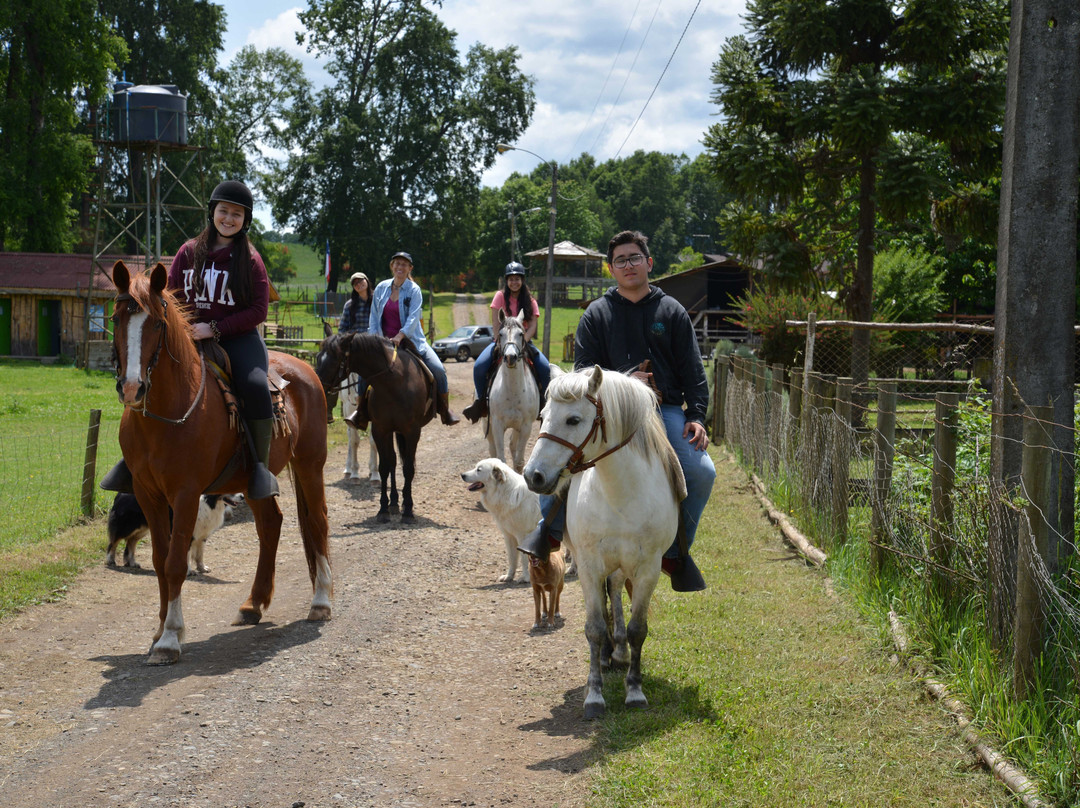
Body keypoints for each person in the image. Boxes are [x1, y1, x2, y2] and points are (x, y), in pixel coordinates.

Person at [518, 230, 715, 592]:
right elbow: (582, 373)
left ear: (649, 262)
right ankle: (546, 534)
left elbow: (694, 373)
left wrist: (697, 416)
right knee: (568, 459)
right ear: (611, 269)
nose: (629, 265)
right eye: (620, 260)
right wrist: (626, 380)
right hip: (606, 415)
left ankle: (675, 551)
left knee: (703, 471)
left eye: (635, 257)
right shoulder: (597, 313)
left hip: (663, 411)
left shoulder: (671, 312)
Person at [101, 180, 279, 500]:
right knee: (149, 377)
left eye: (236, 214)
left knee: (254, 385)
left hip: (237, 339)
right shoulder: (188, 251)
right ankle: (133, 461)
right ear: (212, 213)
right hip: (187, 337)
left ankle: (259, 468)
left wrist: (216, 328)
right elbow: (167, 296)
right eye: (223, 211)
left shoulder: (250, 260)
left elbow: (258, 310)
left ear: (245, 220)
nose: (228, 218)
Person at [348, 250, 460, 428]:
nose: (400, 267)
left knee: (438, 370)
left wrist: (400, 335)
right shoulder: (382, 288)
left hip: (411, 341)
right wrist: (377, 339)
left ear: (410, 268)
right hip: (383, 343)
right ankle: (360, 412)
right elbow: (374, 316)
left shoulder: (414, 290)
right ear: (392, 266)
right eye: (397, 264)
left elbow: (414, 318)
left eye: (404, 264)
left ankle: (445, 410)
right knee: (364, 375)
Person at [462, 261, 552, 423]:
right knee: (479, 366)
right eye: (511, 279)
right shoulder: (499, 296)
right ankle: (480, 401)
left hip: (522, 342)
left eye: (517, 279)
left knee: (545, 368)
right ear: (507, 281)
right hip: (501, 341)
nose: (514, 282)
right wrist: (501, 342)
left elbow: (532, 326)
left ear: (522, 280)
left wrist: (521, 342)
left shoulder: (530, 300)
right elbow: (496, 325)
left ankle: (544, 405)